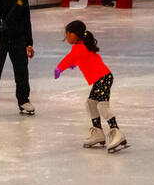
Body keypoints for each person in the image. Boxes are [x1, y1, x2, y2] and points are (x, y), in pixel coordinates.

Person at [54, 19, 127, 152]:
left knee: (101, 105)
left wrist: (60, 68)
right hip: (101, 79)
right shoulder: (82, 45)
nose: (66, 37)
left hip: (103, 78)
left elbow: (70, 58)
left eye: (67, 34)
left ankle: (116, 131)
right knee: (91, 103)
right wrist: (73, 64)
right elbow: (80, 59)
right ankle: (98, 133)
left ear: (74, 34)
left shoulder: (79, 47)